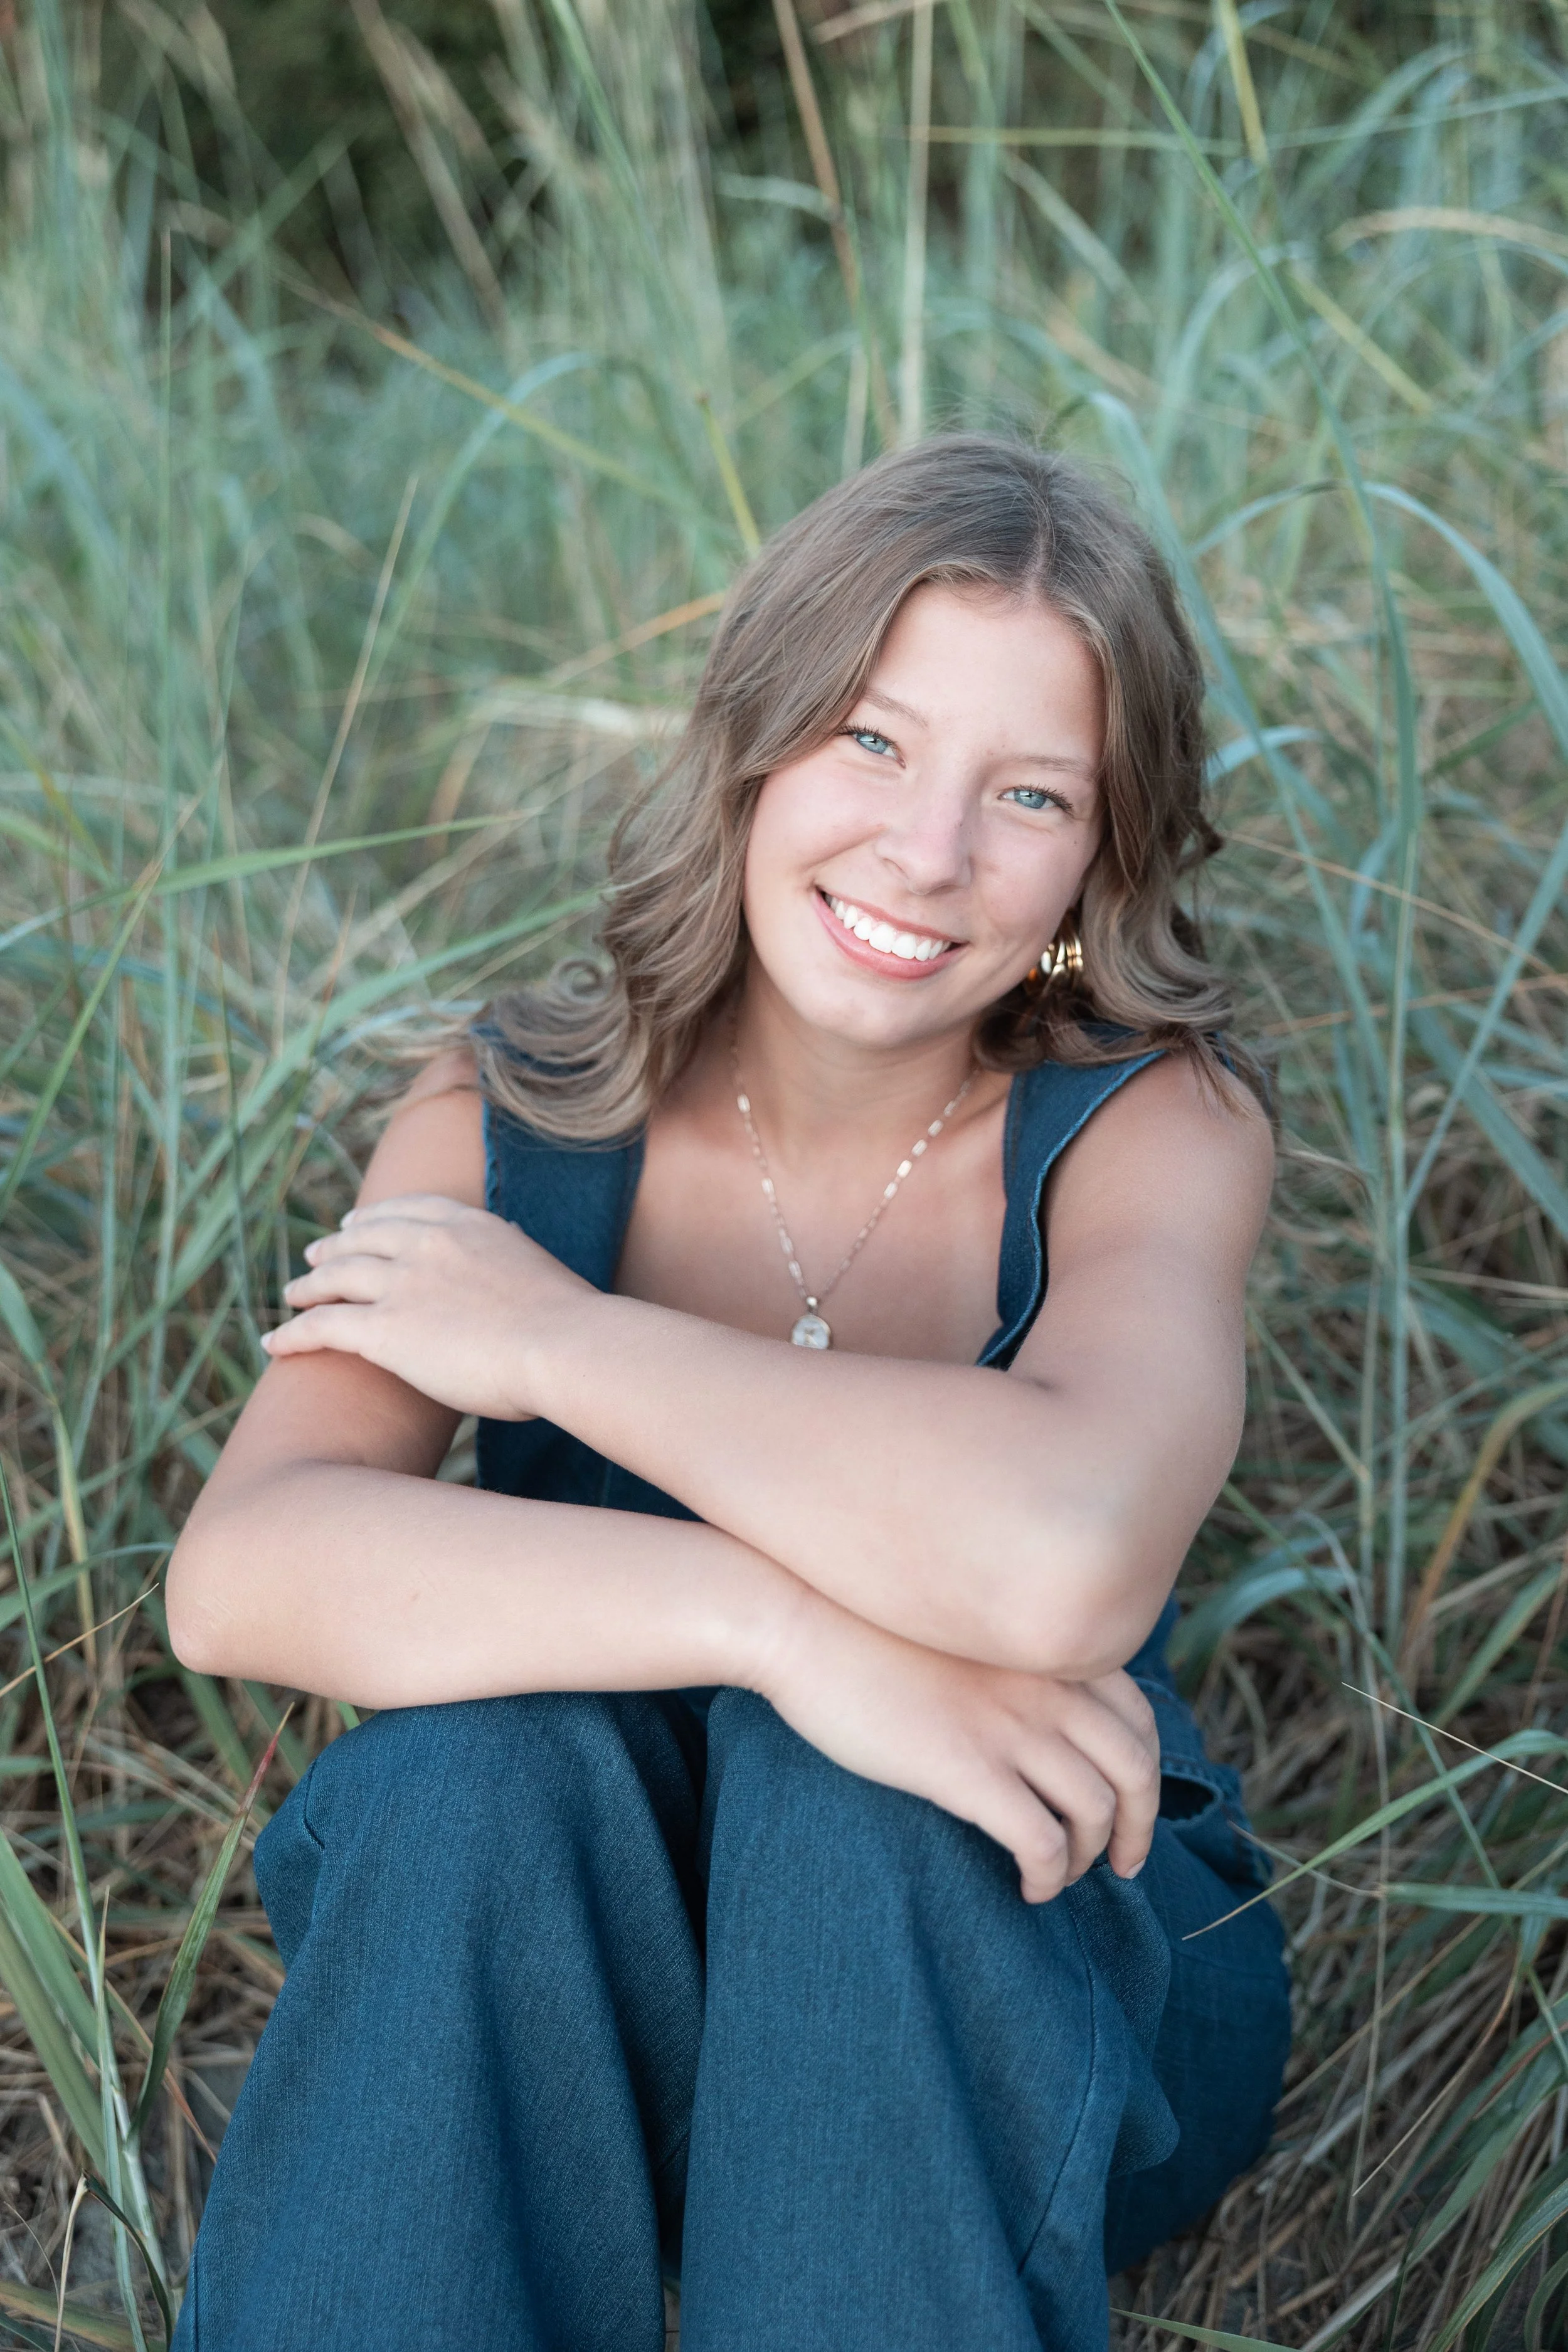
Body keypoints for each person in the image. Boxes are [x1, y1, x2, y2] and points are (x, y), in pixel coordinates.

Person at [166, 435, 1291, 2352]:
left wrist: (549, 1344)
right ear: (747, 743)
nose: (925, 854)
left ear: (1101, 855)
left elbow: (1062, 1559)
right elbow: (243, 1570)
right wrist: (779, 1626)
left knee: (861, 1789)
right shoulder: (509, 1104)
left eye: (1028, 793)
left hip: (1016, 1946)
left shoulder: (1147, 1124)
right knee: (460, 1780)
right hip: (581, 1967)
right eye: (868, 741)